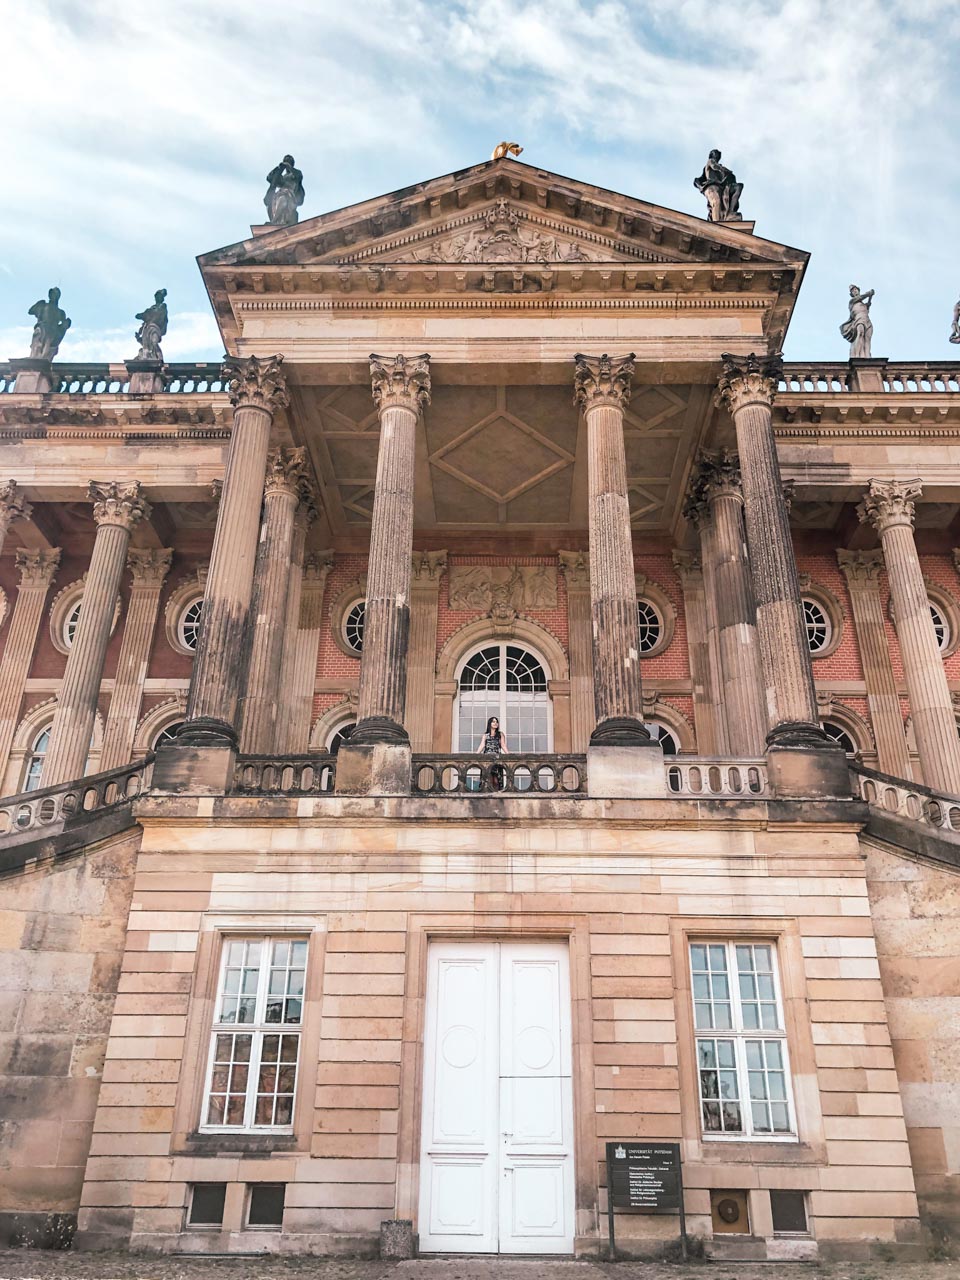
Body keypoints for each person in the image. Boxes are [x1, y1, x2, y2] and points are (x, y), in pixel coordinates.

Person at [693, 150, 743, 222]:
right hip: (711, 187)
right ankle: (716, 224)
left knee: (739, 187)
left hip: (721, 187)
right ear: (712, 155)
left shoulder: (720, 168)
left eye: (718, 155)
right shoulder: (710, 161)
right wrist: (724, 170)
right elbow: (715, 166)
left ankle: (730, 213)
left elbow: (728, 177)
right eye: (715, 154)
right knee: (716, 202)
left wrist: (728, 174)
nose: (717, 157)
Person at [27, 287, 71, 361]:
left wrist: (66, 324)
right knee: (38, 344)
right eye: (52, 294)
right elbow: (30, 311)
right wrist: (39, 305)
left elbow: (63, 326)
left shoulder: (61, 312)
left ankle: (43, 358)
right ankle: (36, 357)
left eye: (56, 295)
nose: (53, 296)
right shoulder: (43, 305)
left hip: (52, 331)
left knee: (47, 346)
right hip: (42, 328)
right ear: (49, 295)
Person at [264, 155, 305, 227]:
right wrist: (279, 168)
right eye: (286, 161)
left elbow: (298, 176)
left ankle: (274, 221)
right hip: (280, 194)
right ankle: (276, 220)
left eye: (289, 161)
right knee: (272, 202)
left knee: (283, 199)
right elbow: (269, 178)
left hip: (290, 196)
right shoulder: (283, 177)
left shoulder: (295, 174)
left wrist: (288, 166)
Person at [840, 285, 875, 359]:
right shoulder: (852, 301)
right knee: (860, 333)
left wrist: (867, 304)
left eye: (856, 289)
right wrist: (868, 294)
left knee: (867, 338)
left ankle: (867, 355)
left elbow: (866, 309)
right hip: (858, 319)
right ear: (851, 294)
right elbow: (861, 297)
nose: (855, 291)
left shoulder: (863, 304)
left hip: (867, 320)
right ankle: (857, 355)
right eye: (853, 291)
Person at [133, 289, 168, 362]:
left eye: (159, 296)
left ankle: (158, 358)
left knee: (154, 342)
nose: (157, 298)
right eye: (157, 296)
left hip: (155, 328)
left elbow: (156, 315)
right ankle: (147, 357)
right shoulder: (152, 308)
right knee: (146, 345)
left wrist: (144, 315)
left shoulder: (162, 307)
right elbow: (141, 317)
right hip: (147, 328)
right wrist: (139, 335)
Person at [476, 715, 508, 790]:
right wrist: (476, 754)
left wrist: (509, 755)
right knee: (488, 779)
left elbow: (503, 745)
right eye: (493, 721)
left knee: (496, 780)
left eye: (497, 722)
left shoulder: (500, 734)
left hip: (497, 758)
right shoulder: (485, 735)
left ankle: (496, 795)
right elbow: (482, 745)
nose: (495, 723)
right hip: (487, 758)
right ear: (489, 723)